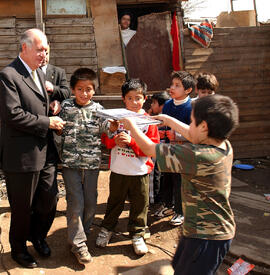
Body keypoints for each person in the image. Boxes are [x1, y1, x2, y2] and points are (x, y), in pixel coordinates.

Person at [120, 94, 239, 275]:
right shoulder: (223, 145)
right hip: (202, 231)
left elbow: (150, 149)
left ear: (204, 127)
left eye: (191, 122)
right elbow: (194, 135)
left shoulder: (196, 155)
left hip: (205, 237)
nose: (189, 127)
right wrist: (168, 119)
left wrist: (132, 127)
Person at [0, 28, 65, 268]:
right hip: (22, 155)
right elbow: (13, 115)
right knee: (22, 207)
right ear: (24, 48)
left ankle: (37, 236)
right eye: (39, 50)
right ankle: (18, 249)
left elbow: (37, 104)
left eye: (46, 50)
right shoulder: (9, 75)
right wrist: (47, 122)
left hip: (45, 149)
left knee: (49, 199)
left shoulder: (39, 73)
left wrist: (51, 109)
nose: (44, 55)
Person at [58, 68, 118, 265]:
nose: (84, 94)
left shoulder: (99, 110)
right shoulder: (64, 107)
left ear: (94, 90)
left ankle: (80, 234)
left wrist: (112, 128)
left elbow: (108, 132)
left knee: (91, 204)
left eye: (89, 89)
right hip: (70, 164)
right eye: (80, 89)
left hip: (92, 164)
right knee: (76, 202)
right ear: (73, 90)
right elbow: (56, 130)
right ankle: (79, 244)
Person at [96, 79, 159, 255]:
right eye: (129, 98)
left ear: (145, 98)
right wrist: (113, 139)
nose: (134, 102)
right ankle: (106, 229)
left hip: (139, 172)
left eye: (138, 98)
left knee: (140, 204)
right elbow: (106, 142)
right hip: (118, 170)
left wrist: (132, 142)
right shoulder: (116, 118)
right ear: (123, 99)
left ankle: (137, 234)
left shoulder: (149, 121)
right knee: (114, 202)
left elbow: (153, 148)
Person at [155, 71, 196, 226]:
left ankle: (181, 211)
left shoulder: (191, 107)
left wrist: (176, 134)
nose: (172, 88)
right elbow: (163, 125)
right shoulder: (167, 104)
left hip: (183, 152)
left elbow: (193, 133)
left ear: (188, 90)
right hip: (167, 149)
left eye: (177, 86)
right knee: (167, 179)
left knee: (180, 181)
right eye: (172, 84)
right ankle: (168, 206)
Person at [148, 92, 170, 204]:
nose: (151, 105)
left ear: (162, 106)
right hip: (165, 150)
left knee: (154, 173)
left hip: (157, 149)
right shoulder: (169, 117)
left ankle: (153, 198)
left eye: (154, 103)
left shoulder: (159, 120)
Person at [41, 45, 71, 115]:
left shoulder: (59, 72)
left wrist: (53, 89)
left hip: (53, 117)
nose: (44, 57)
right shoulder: (29, 72)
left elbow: (67, 93)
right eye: (41, 54)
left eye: (47, 53)